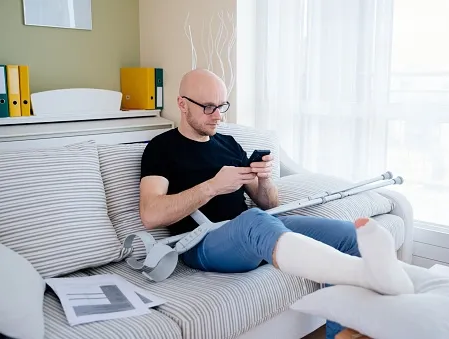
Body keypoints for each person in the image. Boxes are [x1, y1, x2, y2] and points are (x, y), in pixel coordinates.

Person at [138, 68, 414, 339]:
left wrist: (264, 178)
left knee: (349, 235)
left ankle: (340, 333)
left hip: (255, 229)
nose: (218, 116)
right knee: (253, 221)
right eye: (209, 107)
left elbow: (268, 204)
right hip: (202, 242)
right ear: (182, 104)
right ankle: (371, 279)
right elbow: (151, 214)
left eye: (222, 106)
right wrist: (212, 186)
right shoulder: (161, 148)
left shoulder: (229, 144)